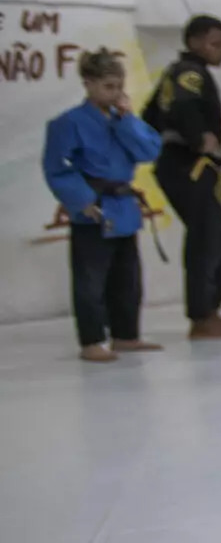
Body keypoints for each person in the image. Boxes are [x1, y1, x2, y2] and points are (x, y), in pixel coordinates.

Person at [42, 48, 164, 363]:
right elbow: (57, 167)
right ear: (89, 84)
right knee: (90, 279)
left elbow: (150, 151)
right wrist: (82, 201)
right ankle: (92, 340)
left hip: (123, 205)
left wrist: (127, 120)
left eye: (119, 86)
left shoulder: (122, 121)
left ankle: (125, 335)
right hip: (93, 206)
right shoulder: (68, 123)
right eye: (108, 86)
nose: (115, 93)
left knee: (127, 277)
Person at [141, 13, 221, 339]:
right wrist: (199, 139)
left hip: (188, 167)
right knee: (207, 241)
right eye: (216, 44)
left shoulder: (180, 73)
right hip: (187, 167)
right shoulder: (189, 73)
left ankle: (209, 311)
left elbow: (150, 115)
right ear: (194, 43)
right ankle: (201, 317)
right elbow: (182, 109)